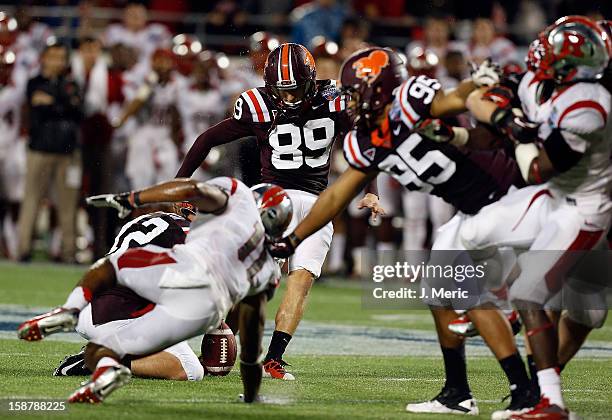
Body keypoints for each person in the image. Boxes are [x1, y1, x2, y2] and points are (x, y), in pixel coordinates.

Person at [268, 47, 540, 416]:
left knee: (478, 297)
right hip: (471, 210)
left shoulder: (410, 99)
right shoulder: (363, 139)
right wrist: (295, 238)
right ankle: (458, 393)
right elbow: (335, 197)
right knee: (439, 294)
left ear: (378, 88)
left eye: (354, 91)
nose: (349, 100)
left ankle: (525, 386)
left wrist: (480, 89)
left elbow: (455, 98)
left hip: (506, 195)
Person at [175, 42, 379, 381]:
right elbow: (365, 149)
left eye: (295, 88)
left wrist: (181, 182)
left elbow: (206, 139)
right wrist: (371, 191)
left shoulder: (280, 102)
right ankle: (232, 347)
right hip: (289, 202)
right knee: (265, 283)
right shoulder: (334, 100)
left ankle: (267, 357)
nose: (288, 97)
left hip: (292, 203)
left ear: (311, 79)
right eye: (282, 90)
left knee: (291, 282)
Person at [457, 16, 611, 419]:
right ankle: (502, 304)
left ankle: (548, 397)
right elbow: (491, 116)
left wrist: (518, 132)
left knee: (576, 309)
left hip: (584, 206)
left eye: (552, 48)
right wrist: (488, 117)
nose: (540, 49)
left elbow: (539, 168)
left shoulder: (588, 105)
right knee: (472, 230)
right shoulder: (536, 83)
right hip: (554, 197)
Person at [18, 178, 291, 404]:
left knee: (114, 265)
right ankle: (103, 359)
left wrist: (133, 199)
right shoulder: (256, 263)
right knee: (190, 368)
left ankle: (72, 311)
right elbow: (250, 334)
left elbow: (192, 189)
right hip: (150, 309)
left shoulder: (164, 219)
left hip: (100, 304)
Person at [53, 205, 206, 382]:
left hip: (90, 303)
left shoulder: (153, 219)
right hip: (115, 315)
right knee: (190, 369)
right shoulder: (192, 236)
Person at [17, 43, 83, 263]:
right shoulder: (34, 82)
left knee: (68, 205)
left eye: (61, 57)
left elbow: (77, 111)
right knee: (31, 200)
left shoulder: (72, 83)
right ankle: (23, 250)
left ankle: (69, 253)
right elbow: (39, 106)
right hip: (40, 149)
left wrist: (53, 102)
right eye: (53, 56)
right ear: (44, 58)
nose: (57, 61)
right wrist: (63, 104)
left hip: (67, 151)